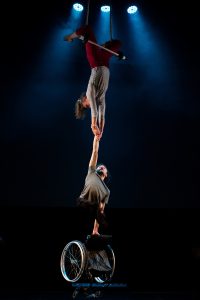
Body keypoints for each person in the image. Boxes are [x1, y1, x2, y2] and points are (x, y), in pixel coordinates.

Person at [64, 25, 122, 139]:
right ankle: (103, 46)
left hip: (94, 61)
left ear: (83, 100)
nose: (90, 105)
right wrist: (101, 130)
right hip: (105, 63)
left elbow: (94, 112)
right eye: (89, 107)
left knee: (87, 30)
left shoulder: (89, 92)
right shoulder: (100, 98)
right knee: (118, 44)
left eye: (87, 105)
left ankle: (70, 37)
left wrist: (93, 125)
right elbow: (101, 113)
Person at [76, 135, 110, 237]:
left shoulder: (106, 191)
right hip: (82, 203)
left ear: (106, 174)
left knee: (100, 213)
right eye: (99, 166)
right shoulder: (92, 171)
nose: (101, 166)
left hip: (91, 209)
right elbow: (95, 151)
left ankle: (94, 232)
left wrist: (95, 230)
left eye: (103, 168)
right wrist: (96, 137)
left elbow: (101, 210)